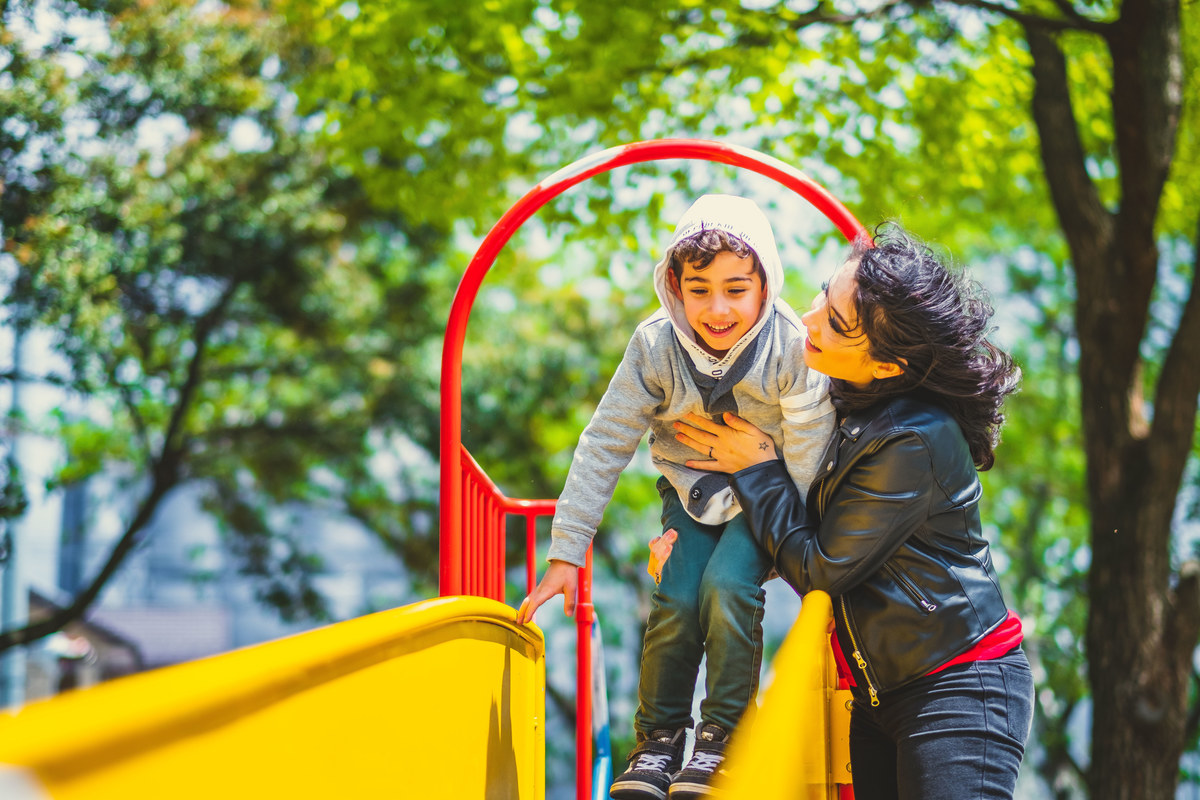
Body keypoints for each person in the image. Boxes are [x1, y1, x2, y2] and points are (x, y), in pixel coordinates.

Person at [669, 222, 1034, 800]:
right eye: (822, 295)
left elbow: (820, 565)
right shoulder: (840, 396)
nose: (807, 320)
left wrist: (758, 468)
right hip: (878, 692)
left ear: (888, 366)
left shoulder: (912, 439)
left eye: (835, 324)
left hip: (957, 684)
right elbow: (784, 516)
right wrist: (683, 535)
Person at [515, 194, 834, 800]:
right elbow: (606, 440)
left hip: (770, 498)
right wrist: (566, 551)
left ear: (766, 286)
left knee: (727, 587)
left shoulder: (791, 346)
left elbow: (813, 445)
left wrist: (794, 535)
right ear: (673, 285)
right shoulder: (655, 346)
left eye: (737, 289)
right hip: (690, 493)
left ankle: (725, 739)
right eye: (700, 289)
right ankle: (659, 743)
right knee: (678, 595)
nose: (718, 308)